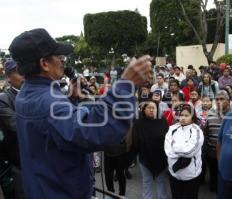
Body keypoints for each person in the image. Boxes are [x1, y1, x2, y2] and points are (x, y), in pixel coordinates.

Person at [8, 28, 151, 199]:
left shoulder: (26, 93)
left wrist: (71, 100)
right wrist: (125, 86)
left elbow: (56, 130)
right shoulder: (48, 102)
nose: (63, 61)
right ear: (45, 64)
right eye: (59, 57)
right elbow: (99, 130)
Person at [164, 104, 204, 199]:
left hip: (191, 175)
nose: (183, 118)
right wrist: (182, 148)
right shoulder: (172, 129)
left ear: (192, 117)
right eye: (181, 115)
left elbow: (190, 151)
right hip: (174, 174)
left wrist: (175, 146)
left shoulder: (197, 131)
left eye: (187, 115)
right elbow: (168, 151)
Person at [132, 100, 169, 199]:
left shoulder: (162, 121)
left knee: (161, 181)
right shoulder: (138, 123)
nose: (151, 110)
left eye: (154, 108)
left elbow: (168, 138)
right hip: (145, 157)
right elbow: (135, 140)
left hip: (161, 157)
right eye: (149, 108)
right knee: (146, 181)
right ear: (144, 110)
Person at [0, 60, 25, 199]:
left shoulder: (38, 95)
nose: (24, 75)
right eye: (19, 71)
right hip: (18, 167)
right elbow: (18, 126)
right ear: (8, 77)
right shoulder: (4, 100)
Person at [204, 90, 232, 193]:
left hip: (228, 155)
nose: (219, 101)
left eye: (222, 99)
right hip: (211, 153)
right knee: (213, 175)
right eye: (217, 99)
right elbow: (206, 134)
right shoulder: (210, 116)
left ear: (228, 101)